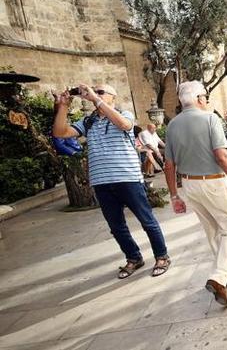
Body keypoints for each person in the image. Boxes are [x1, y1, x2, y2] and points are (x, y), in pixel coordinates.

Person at [52, 84, 170, 279]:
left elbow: (124, 125)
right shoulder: (88, 121)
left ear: (112, 98)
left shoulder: (124, 114)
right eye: (93, 91)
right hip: (101, 182)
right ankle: (134, 258)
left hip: (128, 178)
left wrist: (95, 99)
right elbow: (60, 133)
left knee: (146, 220)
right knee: (116, 226)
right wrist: (63, 106)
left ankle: (162, 256)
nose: (94, 94)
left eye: (100, 92)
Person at [164, 81, 227, 308]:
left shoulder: (172, 125)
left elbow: (169, 165)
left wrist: (174, 196)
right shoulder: (210, 118)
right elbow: (222, 156)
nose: (207, 101)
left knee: (212, 228)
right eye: (206, 96)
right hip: (213, 182)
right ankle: (219, 276)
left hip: (189, 185)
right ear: (200, 98)